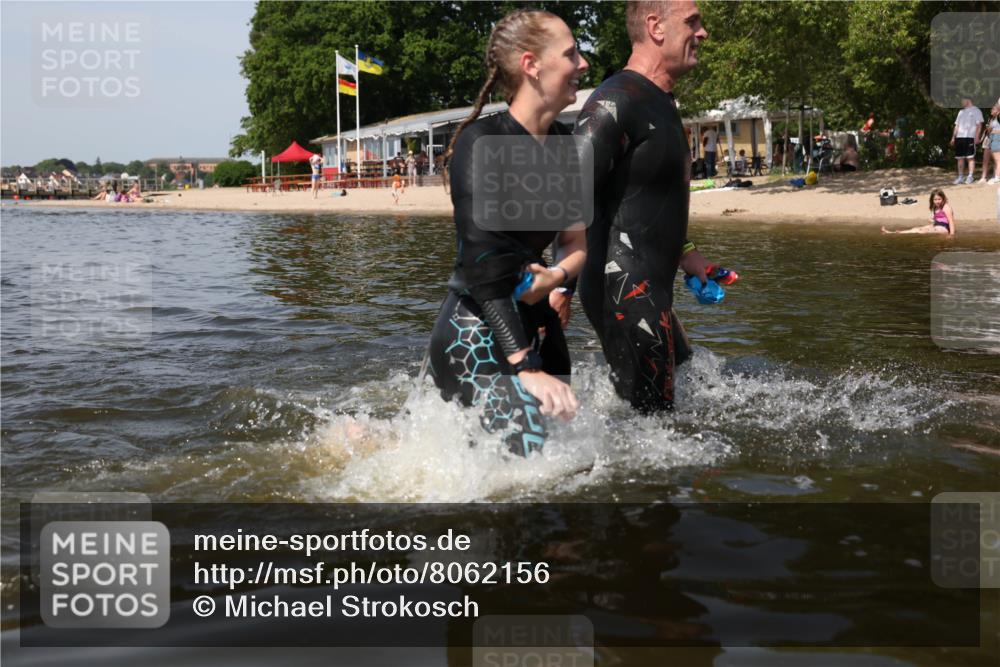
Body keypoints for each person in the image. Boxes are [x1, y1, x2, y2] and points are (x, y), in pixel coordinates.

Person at [427, 8, 588, 456]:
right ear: (531, 65)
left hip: (538, 326)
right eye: (571, 54)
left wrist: (555, 281)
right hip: (477, 331)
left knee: (557, 465)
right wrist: (524, 366)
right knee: (521, 478)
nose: (583, 64)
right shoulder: (482, 144)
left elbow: (575, 245)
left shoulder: (565, 147)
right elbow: (482, 268)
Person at [573, 0, 715, 413]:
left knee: (689, 390)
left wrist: (688, 253)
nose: (702, 33)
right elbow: (566, 192)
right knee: (655, 435)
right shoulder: (616, 101)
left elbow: (643, 194)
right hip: (624, 290)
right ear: (656, 27)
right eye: (692, 22)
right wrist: (557, 290)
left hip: (650, 291)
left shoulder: (660, 101)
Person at [881, 189, 955, 236]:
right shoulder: (936, 207)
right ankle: (894, 232)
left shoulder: (946, 207)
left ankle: (895, 233)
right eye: (935, 200)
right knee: (916, 229)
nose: (937, 201)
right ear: (932, 200)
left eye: (939, 199)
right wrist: (932, 220)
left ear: (943, 198)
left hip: (944, 228)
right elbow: (939, 218)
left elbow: (951, 222)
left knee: (922, 231)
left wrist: (951, 235)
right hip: (936, 226)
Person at [950, 95, 983, 185]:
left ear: (968, 100)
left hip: (970, 137)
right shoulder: (961, 112)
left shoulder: (976, 111)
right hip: (959, 138)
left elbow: (979, 125)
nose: (961, 102)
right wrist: (953, 137)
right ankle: (960, 177)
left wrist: (977, 136)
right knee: (959, 158)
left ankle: (970, 176)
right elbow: (957, 125)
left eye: (962, 100)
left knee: (970, 158)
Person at [977, 104, 1000, 184]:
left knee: (997, 159)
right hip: (989, 139)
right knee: (985, 158)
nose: (991, 110)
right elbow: (989, 130)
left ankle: (996, 176)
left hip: (996, 139)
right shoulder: (991, 118)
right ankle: (984, 177)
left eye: (993, 109)